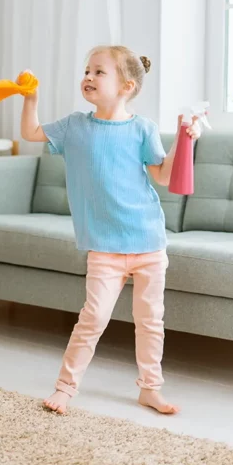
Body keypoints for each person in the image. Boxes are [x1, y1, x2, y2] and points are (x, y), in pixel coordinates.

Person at [19, 46, 201, 417]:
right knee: (94, 318)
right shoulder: (74, 126)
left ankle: (151, 388)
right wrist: (31, 99)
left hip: (148, 241)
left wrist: (188, 140)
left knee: (151, 321)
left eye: (99, 72)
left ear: (126, 86)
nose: (88, 77)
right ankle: (65, 388)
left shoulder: (143, 129)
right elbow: (31, 133)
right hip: (104, 247)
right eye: (87, 70)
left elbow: (165, 177)